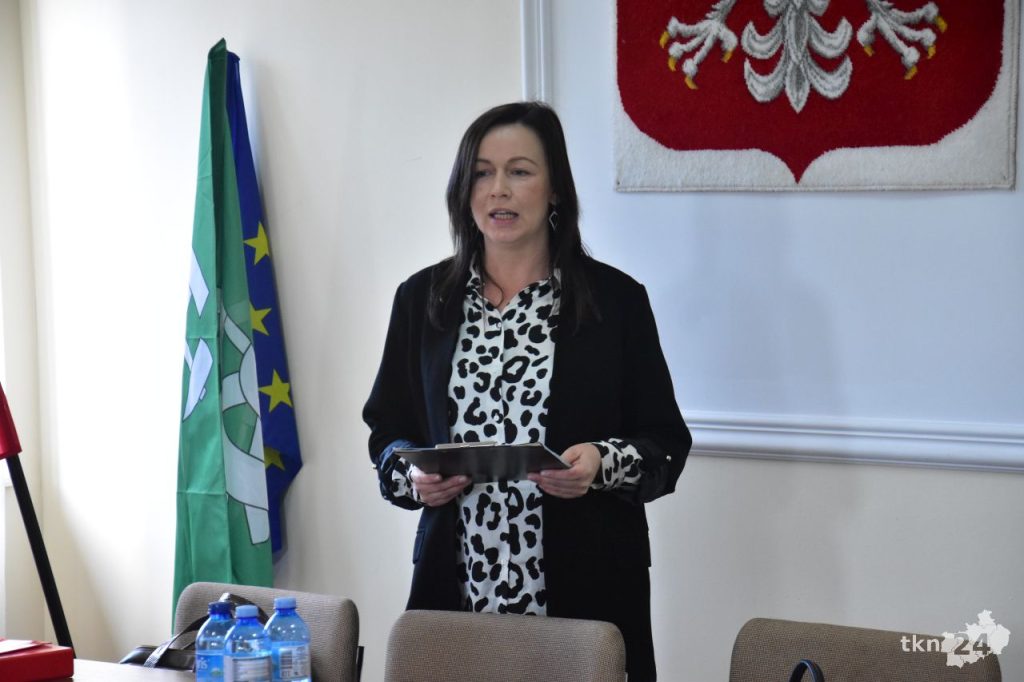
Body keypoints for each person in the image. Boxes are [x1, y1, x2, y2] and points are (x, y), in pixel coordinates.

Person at [363, 101, 690, 681]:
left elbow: (666, 443)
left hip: (587, 602)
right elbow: (388, 434)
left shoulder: (616, 302)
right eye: (482, 173)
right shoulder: (422, 301)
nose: (499, 190)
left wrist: (602, 463)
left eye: (519, 171)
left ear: (555, 188)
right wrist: (412, 476)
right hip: (455, 597)